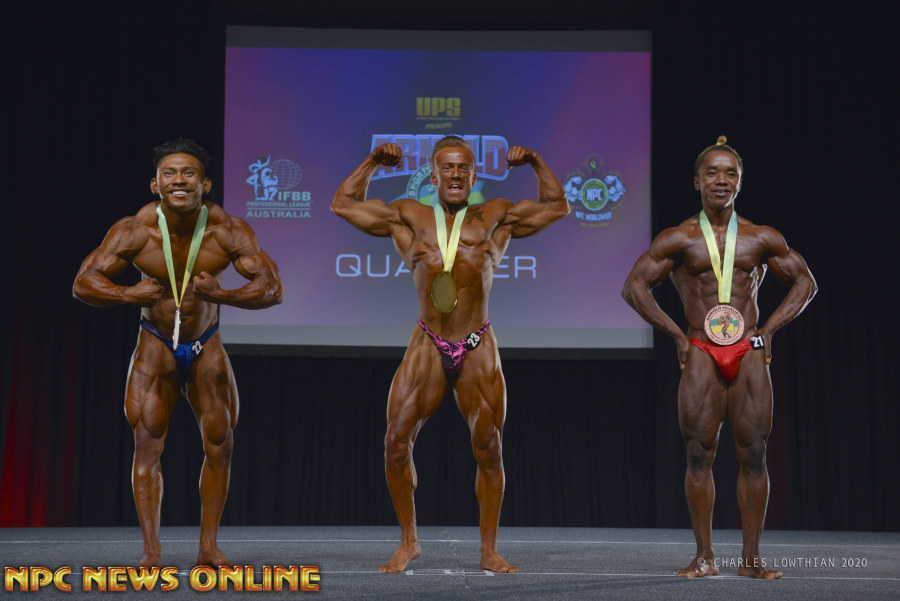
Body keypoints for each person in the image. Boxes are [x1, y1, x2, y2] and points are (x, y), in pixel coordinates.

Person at [332, 136, 569, 573]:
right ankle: (409, 542)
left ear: (474, 175)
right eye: (448, 167)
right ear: (434, 174)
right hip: (427, 341)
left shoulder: (496, 214)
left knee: (489, 448)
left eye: (463, 168)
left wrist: (536, 161)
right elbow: (343, 204)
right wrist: (372, 161)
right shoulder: (409, 215)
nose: (455, 174)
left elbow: (557, 206)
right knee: (395, 442)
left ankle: (489, 550)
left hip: (478, 343)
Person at [73, 138, 283, 567]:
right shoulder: (134, 230)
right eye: (169, 173)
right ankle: (152, 552)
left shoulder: (228, 230)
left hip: (206, 345)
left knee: (220, 444)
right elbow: (83, 283)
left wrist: (222, 294)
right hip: (155, 344)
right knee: (147, 444)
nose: (179, 180)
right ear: (156, 184)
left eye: (189, 173)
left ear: (205, 184)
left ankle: (209, 547)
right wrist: (127, 294)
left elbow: (273, 288)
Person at [622, 136, 817, 579]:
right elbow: (633, 286)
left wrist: (769, 329)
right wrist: (675, 335)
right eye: (712, 172)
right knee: (698, 455)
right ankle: (704, 556)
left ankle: (751, 559)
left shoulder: (761, 237)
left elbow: (805, 282)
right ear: (697, 181)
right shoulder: (679, 239)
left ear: (740, 182)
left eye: (731, 173)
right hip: (701, 350)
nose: (721, 180)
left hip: (747, 350)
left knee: (755, 454)